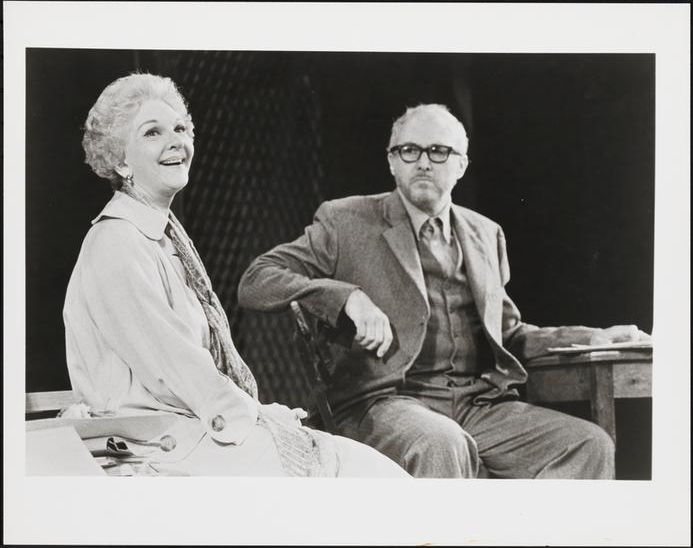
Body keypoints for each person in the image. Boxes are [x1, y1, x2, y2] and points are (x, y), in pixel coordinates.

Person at [237, 103, 651, 479]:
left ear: (462, 165)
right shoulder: (345, 221)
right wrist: (347, 298)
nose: (422, 162)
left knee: (587, 443)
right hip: (383, 404)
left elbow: (510, 334)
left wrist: (591, 338)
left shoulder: (486, 233)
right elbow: (258, 279)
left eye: (438, 151)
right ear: (392, 161)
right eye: (409, 151)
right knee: (442, 441)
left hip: (476, 405)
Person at [63, 72, 410, 478]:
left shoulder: (163, 236)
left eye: (180, 128)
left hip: (187, 430)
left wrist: (259, 414)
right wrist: (256, 418)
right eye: (152, 132)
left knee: (367, 471)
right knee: (360, 476)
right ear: (121, 160)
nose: (175, 141)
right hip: (155, 445)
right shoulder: (117, 242)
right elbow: (175, 368)